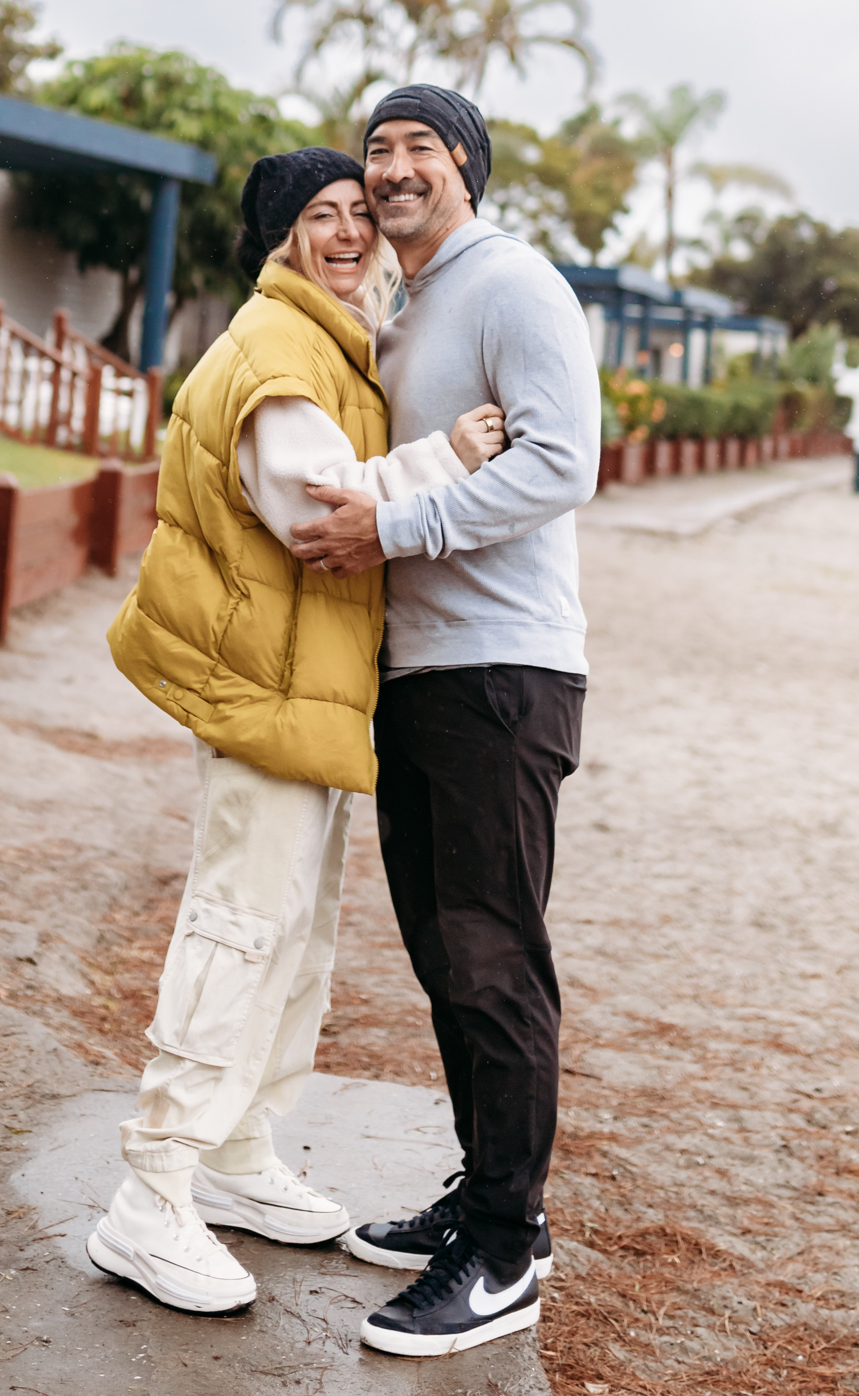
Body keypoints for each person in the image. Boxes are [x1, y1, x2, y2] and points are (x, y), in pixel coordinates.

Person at [88, 145, 507, 1317]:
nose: (346, 231)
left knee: (294, 937)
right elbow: (322, 513)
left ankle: (233, 1152)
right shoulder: (276, 355)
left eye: (354, 214)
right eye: (317, 216)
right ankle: (151, 1188)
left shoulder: (326, 342)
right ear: (276, 239)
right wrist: (451, 456)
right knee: (235, 928)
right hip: (262, 695)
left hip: (305, 693)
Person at [291, 84, 601, 1362]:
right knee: (440, 952)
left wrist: (394, 522)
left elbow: (561, 459)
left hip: (501, 675)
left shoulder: (512, 282)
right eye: (381, 149)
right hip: (421, 673)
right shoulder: (412, 308)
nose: (397, 166)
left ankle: (506, 1249)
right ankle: (479, 1199)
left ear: (466, 167)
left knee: (491, 957)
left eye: (423, 146)